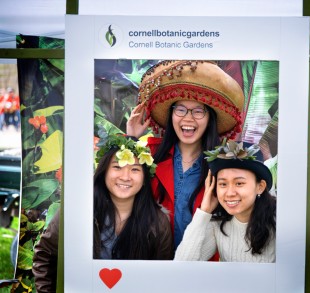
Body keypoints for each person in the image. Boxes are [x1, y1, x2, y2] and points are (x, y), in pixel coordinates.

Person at [127, 60, 245, 250]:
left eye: (198, 111)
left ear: (210, 119)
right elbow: (116, 189)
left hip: (204, 268)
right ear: (171, 115)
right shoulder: (149, 157)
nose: (188, 118)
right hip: (152, 264)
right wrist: (131, 138)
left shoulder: (224, 167)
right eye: (180, 109)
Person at [33, 134, 173, 292]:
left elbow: (161, 277)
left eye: (134, 169)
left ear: (144, 177)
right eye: (117, 167)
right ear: (104, 171)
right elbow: (45, 256)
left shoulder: (158, 223)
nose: (125, 177)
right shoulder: (77, 211)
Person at [174, 140, 276, 262]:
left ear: (260, 187)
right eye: (223, 184)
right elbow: (183, 264)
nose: (230, 193)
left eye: (239, 183)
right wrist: (204, 212)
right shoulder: (218, 223)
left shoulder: (279, 222)